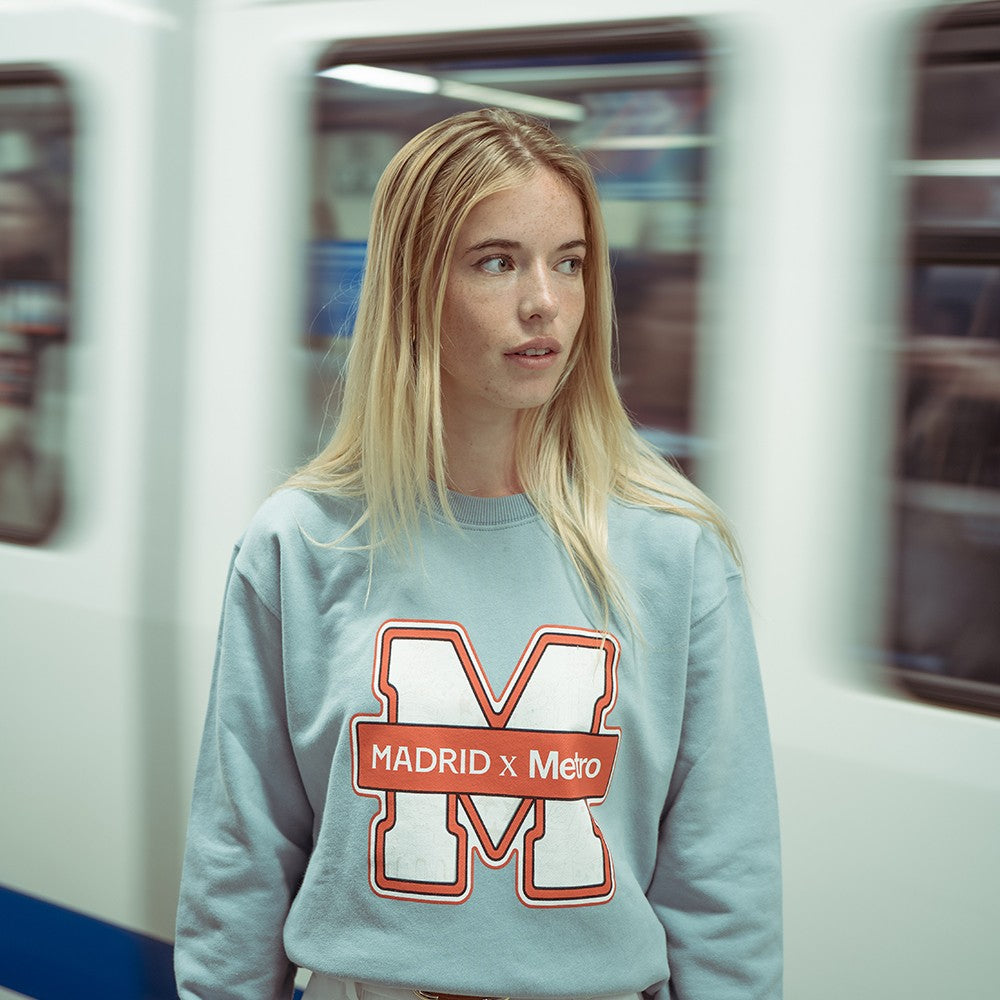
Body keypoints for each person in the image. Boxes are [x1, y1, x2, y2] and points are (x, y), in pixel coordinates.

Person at [174, 108, 782, 1000]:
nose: (545, 301)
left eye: (568, 263)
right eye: (497, 262)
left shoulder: (674, 553)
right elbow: (240, 863)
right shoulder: (301, 543)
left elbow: (723, 886)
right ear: (414, 288)